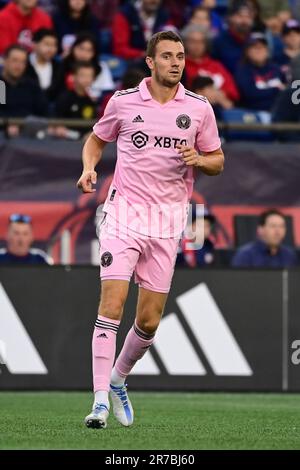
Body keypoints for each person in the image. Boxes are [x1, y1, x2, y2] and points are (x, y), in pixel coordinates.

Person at [76, 30, 224, 429]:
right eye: (167, 56)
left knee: (149, 322)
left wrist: (200, 158)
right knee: (111, 305)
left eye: (180, 56)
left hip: (168, 222)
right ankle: (99, 402)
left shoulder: (198, 108)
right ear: (150, 61)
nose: (177, 62)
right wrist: (90, 168)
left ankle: (120, 378)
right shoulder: (123, 103)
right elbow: (96, 140)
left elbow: (217, 160)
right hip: (123, 215)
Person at [182, 24, 240, 102]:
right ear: (185, 43)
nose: (197, 45)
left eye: (201, 41)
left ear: (206, 44)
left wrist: (218, 95)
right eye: (192, 41)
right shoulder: (181, 66)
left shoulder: (216, 65)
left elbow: (234, 93)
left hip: (220, 108)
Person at [0, 44, 48, 137]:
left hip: (31, 135)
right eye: (15, 60)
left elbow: (44, 110)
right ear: (5, 61)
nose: (18, 65)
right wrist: (8, 124)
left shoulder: (31, 86)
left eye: (23, 62)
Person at [235, 32, 285, 111]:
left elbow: (286, 88)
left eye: (262, 47)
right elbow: (250, 94)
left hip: (279, 111)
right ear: (247, 51)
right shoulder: (243, 70)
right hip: (254, 113)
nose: (259, 51)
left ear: (267, 50)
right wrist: (276, 90)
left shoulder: (276, 68)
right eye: (255, 47)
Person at [231, 209, 298, 267]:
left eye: (281, 226)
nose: (278, 231)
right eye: (273, 226)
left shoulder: (289, 255)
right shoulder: (246, 255)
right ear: (260, 229)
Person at [213, 1, 255, 74]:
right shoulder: (219, 41)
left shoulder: (254, 41)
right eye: (240, 16)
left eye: (248, 17)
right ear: (230, 18)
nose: (244, 21)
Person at [26, 28, 63, 102]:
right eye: (47, 44)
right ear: (34, 44)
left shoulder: (59, 67)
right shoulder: (24, 63)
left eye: (54, 45)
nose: (51, 49)